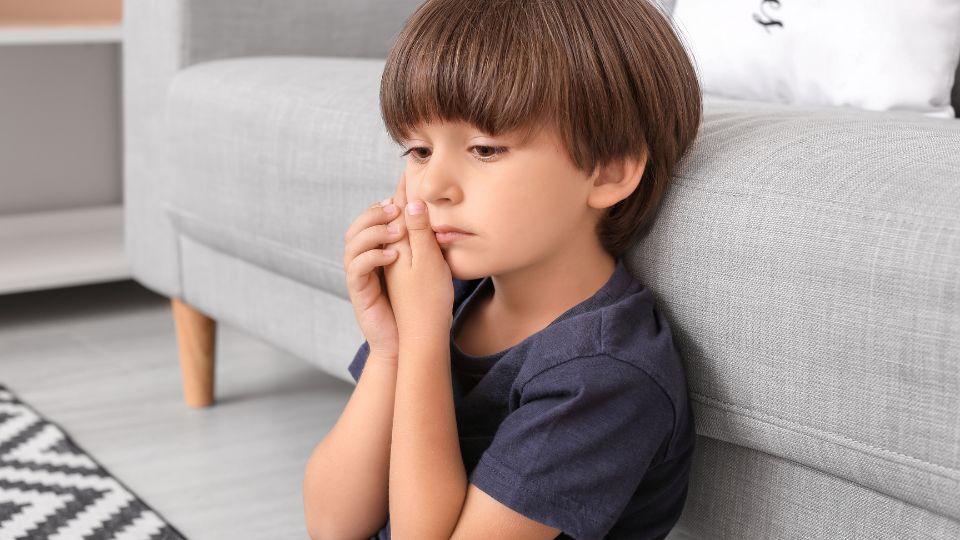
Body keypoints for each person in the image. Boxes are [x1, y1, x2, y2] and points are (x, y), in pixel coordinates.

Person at [304, 0, 701, 538]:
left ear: (609, 172)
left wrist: (421, 339)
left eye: (485, 149)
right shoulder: (452, 294)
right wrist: (389, 347)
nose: (432, 187)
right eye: (418, 151)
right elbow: (332, 525)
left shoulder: (605, 374)